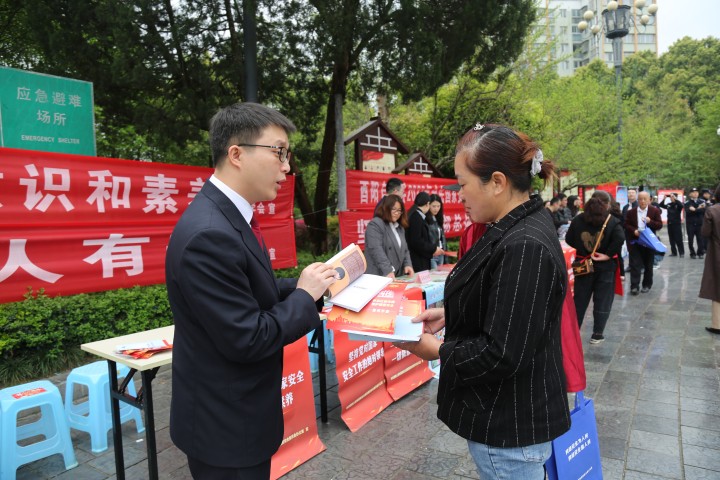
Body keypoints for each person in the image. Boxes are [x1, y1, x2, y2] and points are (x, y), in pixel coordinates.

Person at [165, 103, 339, 479]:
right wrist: (303, 297)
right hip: (226, 428)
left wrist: (311, 286)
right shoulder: (209, 234)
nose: (287, 167)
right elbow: (248, 337)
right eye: (279, 152)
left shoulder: (227, 216)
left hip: (235, 417)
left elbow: (249, 290)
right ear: (236, 154)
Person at [399, 123, 570, 479]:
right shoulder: (517, 224)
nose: (459, 196)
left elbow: (502, 352)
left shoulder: (524, 245)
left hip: (509, 423)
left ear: (497, 182)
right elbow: (513, 309)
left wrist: (438, 351)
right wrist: (451, 314)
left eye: (462, 184)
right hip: (511, 415)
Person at [565, 191, 625, 344]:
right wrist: (607, 254)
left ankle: (574, 333)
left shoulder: (578, 219)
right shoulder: (612, 221)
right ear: (608, 204)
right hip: (605, 267)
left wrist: (583, 250)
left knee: (579, 300)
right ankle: (597, 334)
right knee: (603, 300)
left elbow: (568, 239)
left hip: (583, 264)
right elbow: (620, 238)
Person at [364, 194, 414, 278]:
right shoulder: (375, 224)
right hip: (378, 275)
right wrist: (388, 270)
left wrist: (407, 264)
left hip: (396, 275)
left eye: (399, 210)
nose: (397, 213)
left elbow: (404, 249)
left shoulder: (400, 227)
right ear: (386, 208)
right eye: (393, 209)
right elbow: (376, 250)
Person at [625, 191, 663, 295]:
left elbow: (659, 225)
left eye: (645, 199)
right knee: (635, 264)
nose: (642, 201)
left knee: (648, 265)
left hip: (649, 242)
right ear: (637, 200)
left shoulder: (654, 211)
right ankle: (634, 286)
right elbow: (626, 224)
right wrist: (634, 231)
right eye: (640, 199)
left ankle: (646, 285)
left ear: (649, 200)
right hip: (636, 241)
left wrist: (650, 221)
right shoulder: (631, 212)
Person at [405, 191, 444, 272]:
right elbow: (417, 241)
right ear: (427, 204)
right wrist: (433, 249)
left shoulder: (417, 215)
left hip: (420, 259)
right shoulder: (416, 217)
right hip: (418, 261)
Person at [700, 184, 720, 335]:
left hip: (717, 251)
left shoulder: (712, 210)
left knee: (717, 286)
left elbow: (705, 232)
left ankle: (717, 324)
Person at [660, 192, 685, 257]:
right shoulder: (669, 204)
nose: (671, 198)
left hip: (676, 224)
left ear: (675, 197)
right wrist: (664, 199)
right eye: (670, 197)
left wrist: (676, 199)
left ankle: (681, 252)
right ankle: (674, 252)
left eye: (672, 196)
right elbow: (661, 205)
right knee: (671, 239)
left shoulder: (678, 204)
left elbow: (681, 206)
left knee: (678, 239)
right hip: (670, 224)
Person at [426, 194, 447, 269]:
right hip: (432, 254)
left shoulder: (438, 219)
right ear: (428, 205)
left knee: (440, 275)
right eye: (434, 206)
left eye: (438, 206)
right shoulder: (426, 220)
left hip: (441, 253)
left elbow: (442, 238)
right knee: (434, 274)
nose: (436, 209)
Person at [685, 187, 706, 259]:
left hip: (699, 223)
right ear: (690, 194)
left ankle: (700, 253)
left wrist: (695, 209)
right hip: (690, 224)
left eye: (697, 192)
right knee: (690, 240)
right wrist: (698, 208)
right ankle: (692, 253)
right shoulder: (687, 203)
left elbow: (703, 211)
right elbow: (688, 212)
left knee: (700, 239)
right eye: (693, 192)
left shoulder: (702, 201)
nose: (695, 193)